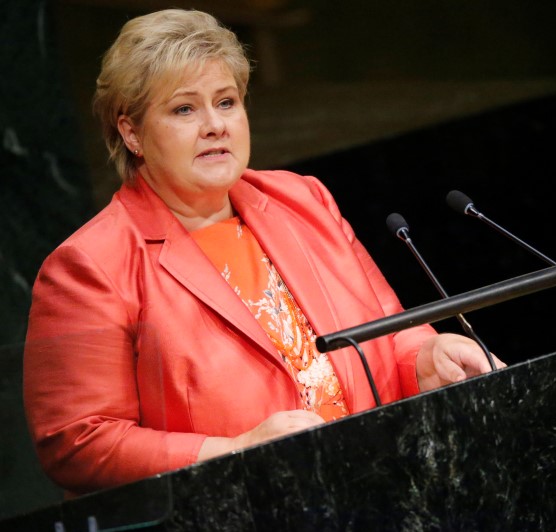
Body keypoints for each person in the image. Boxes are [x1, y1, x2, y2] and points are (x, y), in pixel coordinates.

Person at [23, 9, 502, 496]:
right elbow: (78, 442)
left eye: (226, 102)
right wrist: (236, 450)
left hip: (380, 484)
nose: (215, 125)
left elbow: (387, 331)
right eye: (184, 109)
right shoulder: (90, 265)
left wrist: (428, 356)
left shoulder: (302, 200)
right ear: (131, 133)